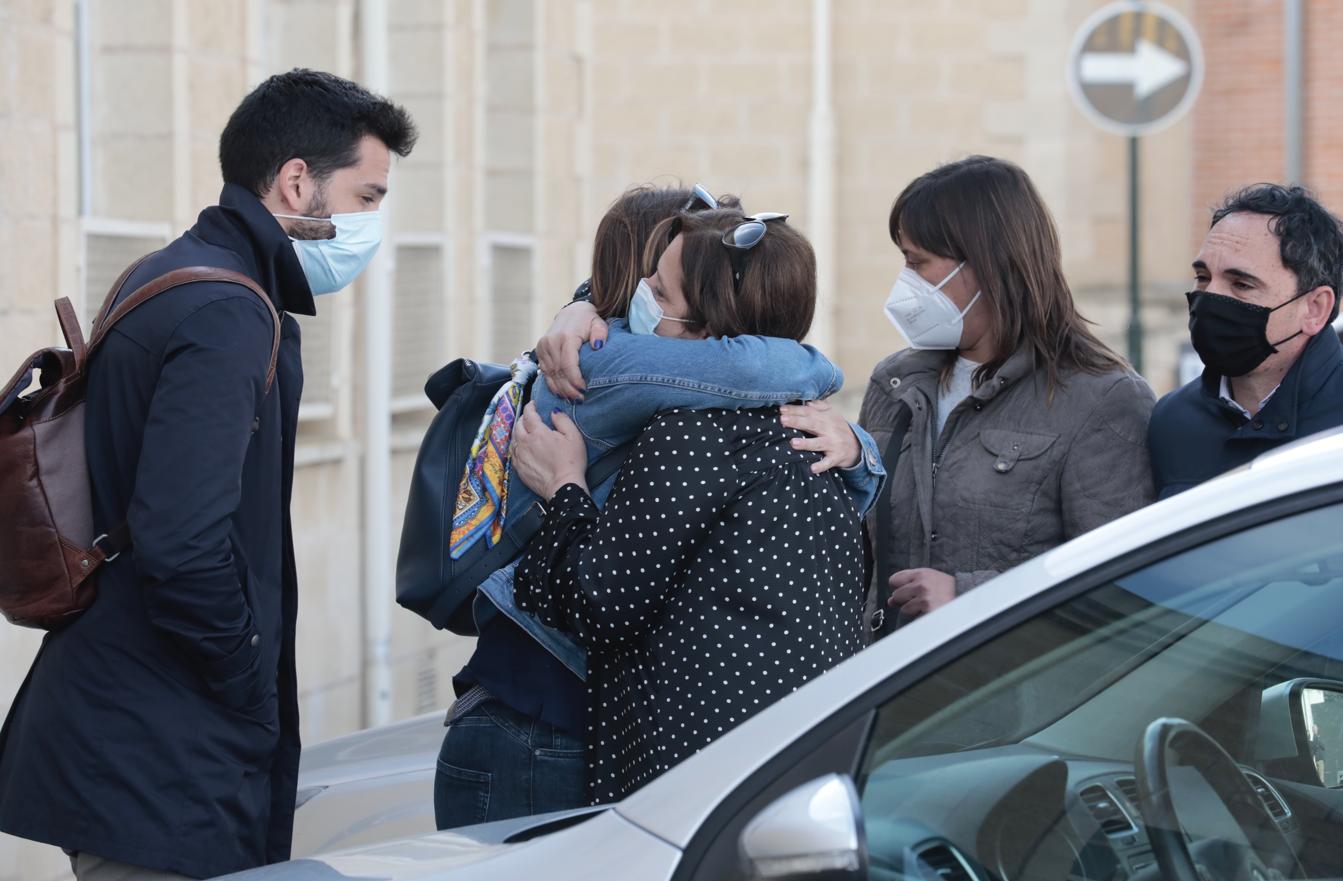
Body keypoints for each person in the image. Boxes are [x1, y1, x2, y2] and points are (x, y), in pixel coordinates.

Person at [0, 69, 416, 881]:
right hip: (162, 751)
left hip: (132, 724)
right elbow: (181, 539)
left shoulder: (170, 273)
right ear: (296, 180)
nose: (371, 225)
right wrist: (245, 675)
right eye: (366, 197)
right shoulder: (230, 312)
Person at [433, 188, 883, 827]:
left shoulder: (698, 430)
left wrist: (565, 489)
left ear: (706, 336)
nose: (641, 299)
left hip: (638, 763)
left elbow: (597, 601)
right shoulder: (800, 434)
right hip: (767, 778)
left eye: (660, 291)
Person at [860, 155, 1155, 636]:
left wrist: (969, 597)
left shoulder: (1102, 399)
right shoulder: (894, 383)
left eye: (917, 263)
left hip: (1009, 678)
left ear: (986, 263)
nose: (905, 284)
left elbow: (1120, 583)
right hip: (887, 674)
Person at [1148, 183, 1343, 499]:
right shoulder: (1172, 421)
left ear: (1315, 308)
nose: (1210, 296)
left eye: (1241, 284)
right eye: (1203, 277)